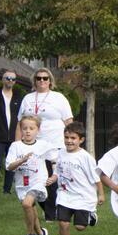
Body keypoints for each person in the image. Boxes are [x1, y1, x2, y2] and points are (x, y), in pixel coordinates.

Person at [17, 68, 74, 221]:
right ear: (34, 81)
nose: (42, 80)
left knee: (53, 178)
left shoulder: (58, 98)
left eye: (45, 78)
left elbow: (69, 121)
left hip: (55, 143)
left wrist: (72, 141)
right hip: (35, 144)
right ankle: (49, 208)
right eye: (38, 78)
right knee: (37, 178)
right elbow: (20, 122)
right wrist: (18, 143)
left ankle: (53, 212)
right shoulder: (28, 98)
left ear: (50, 81)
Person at [53, 121, 104, 235]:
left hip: (83, 196)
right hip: (64, 194)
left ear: (81, 140)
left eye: (73, 138)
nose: (69, 141)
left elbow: (96, 177)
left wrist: (101, 194)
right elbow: (58, 169)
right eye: (66, 137)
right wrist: (53, 177)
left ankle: (91, 215)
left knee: (80, 227)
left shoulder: (85, 157)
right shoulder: (61, 153)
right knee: (63, 223)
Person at [7, 115, 57, 235]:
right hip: (22, 184)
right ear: (21, 130)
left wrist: (54, 175)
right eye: (25, 128)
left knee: (27, 204)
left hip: (38, 181)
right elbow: (9, 167)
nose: (28, 131)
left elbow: (55, 160)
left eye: (31, 128)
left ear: (38, 130)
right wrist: (21, 161)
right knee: (30, 208)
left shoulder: (43, 145)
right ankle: (41, 234)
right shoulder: (15, 146)